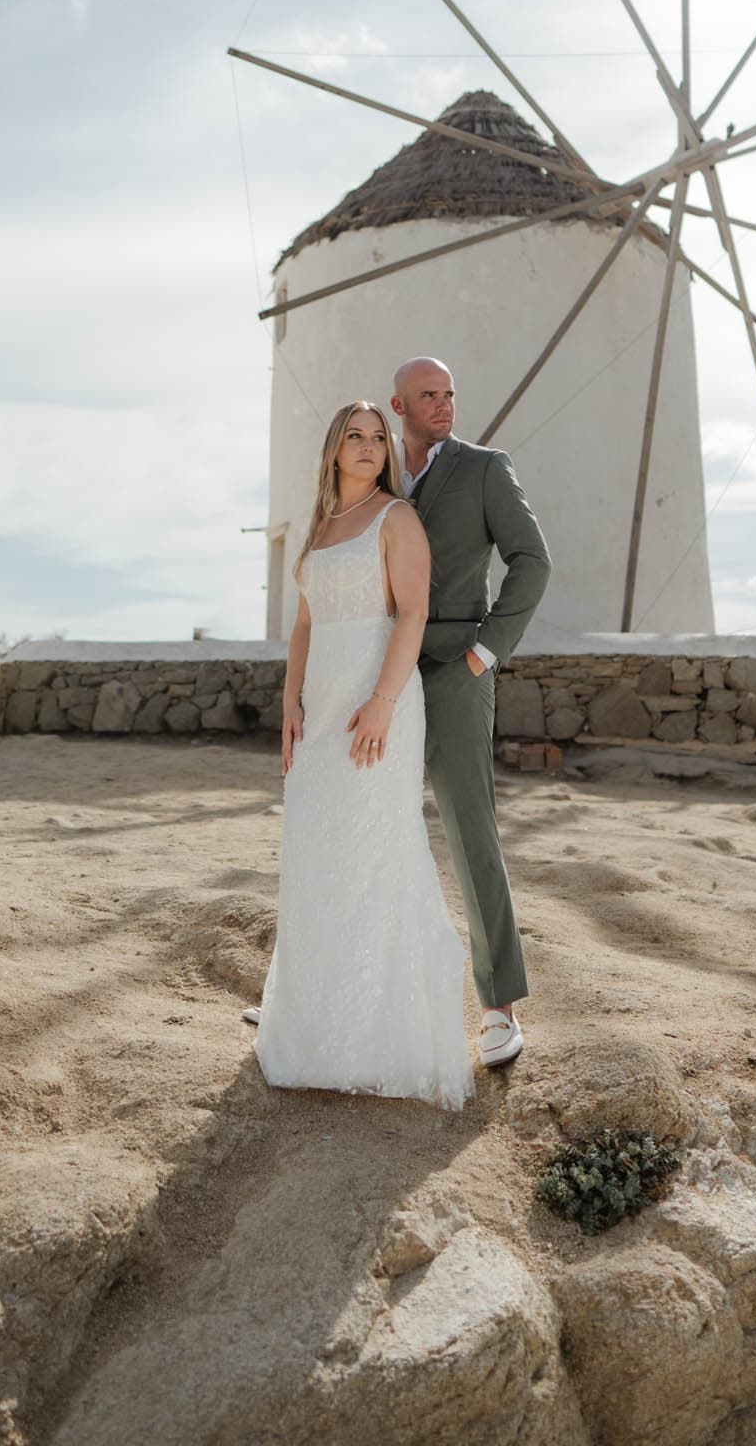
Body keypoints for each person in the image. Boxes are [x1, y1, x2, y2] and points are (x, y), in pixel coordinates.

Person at [253, 399, 472, 1109]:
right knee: (318, 852)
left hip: (378, 705)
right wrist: (291, 701)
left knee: (376, 851)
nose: (370, 446)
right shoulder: (320, 526)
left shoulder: (395, 519)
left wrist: (381, 699)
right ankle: (314, 1026)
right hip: (320, 711)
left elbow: (412, 612)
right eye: (356, 435)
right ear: (333, 448)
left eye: (380, 437)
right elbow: (305, 624)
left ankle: (381, 1036)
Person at [391, 356, 551, 1070]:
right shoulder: (376, 473)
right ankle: (327, 992)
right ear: (399, 405)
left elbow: (532, 559)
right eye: (428, 395)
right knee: (358, 821)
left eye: (450, 392)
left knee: (469, 831)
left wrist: (488, 652)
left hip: (459, 671)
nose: (444, 404)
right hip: (380, 674)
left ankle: (498, 1008)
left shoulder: (486, 468)